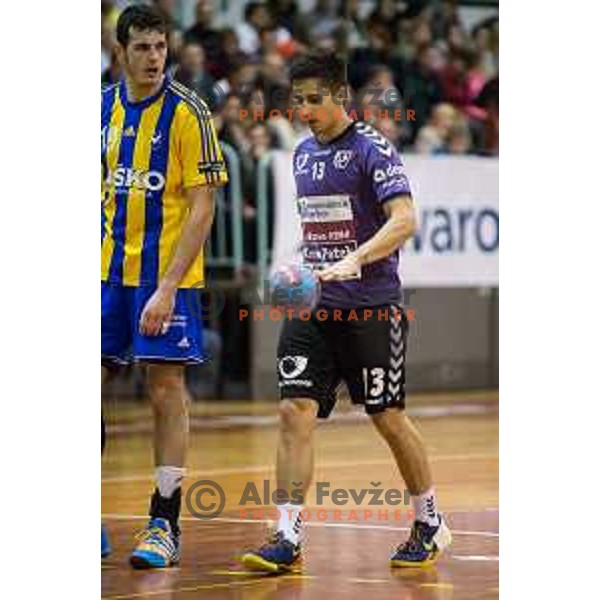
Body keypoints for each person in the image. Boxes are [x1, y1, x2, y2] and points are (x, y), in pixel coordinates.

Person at [241, 51, 451, 572]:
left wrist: (355, 258)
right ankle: (286, 534)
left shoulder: (372, 149)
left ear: (341, 97)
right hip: (316, 307)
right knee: (294, 411)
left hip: (372, 307)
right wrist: (298, 270)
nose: (305, 111)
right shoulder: (302, 155)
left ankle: (429, 520)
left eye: (315, 100)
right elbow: (318, 228)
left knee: (387, 417)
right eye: (298, 102)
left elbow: (404, 221)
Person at [101, 4, 228, 568]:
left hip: (164, 281)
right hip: (106, 276)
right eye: (143, 47)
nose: (154, 57)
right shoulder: (99, 108)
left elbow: (204, 206)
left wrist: (169, 286)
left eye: (160, 46)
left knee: (164, 393)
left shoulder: (188, 113)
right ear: (120, 50)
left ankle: (164, 523)